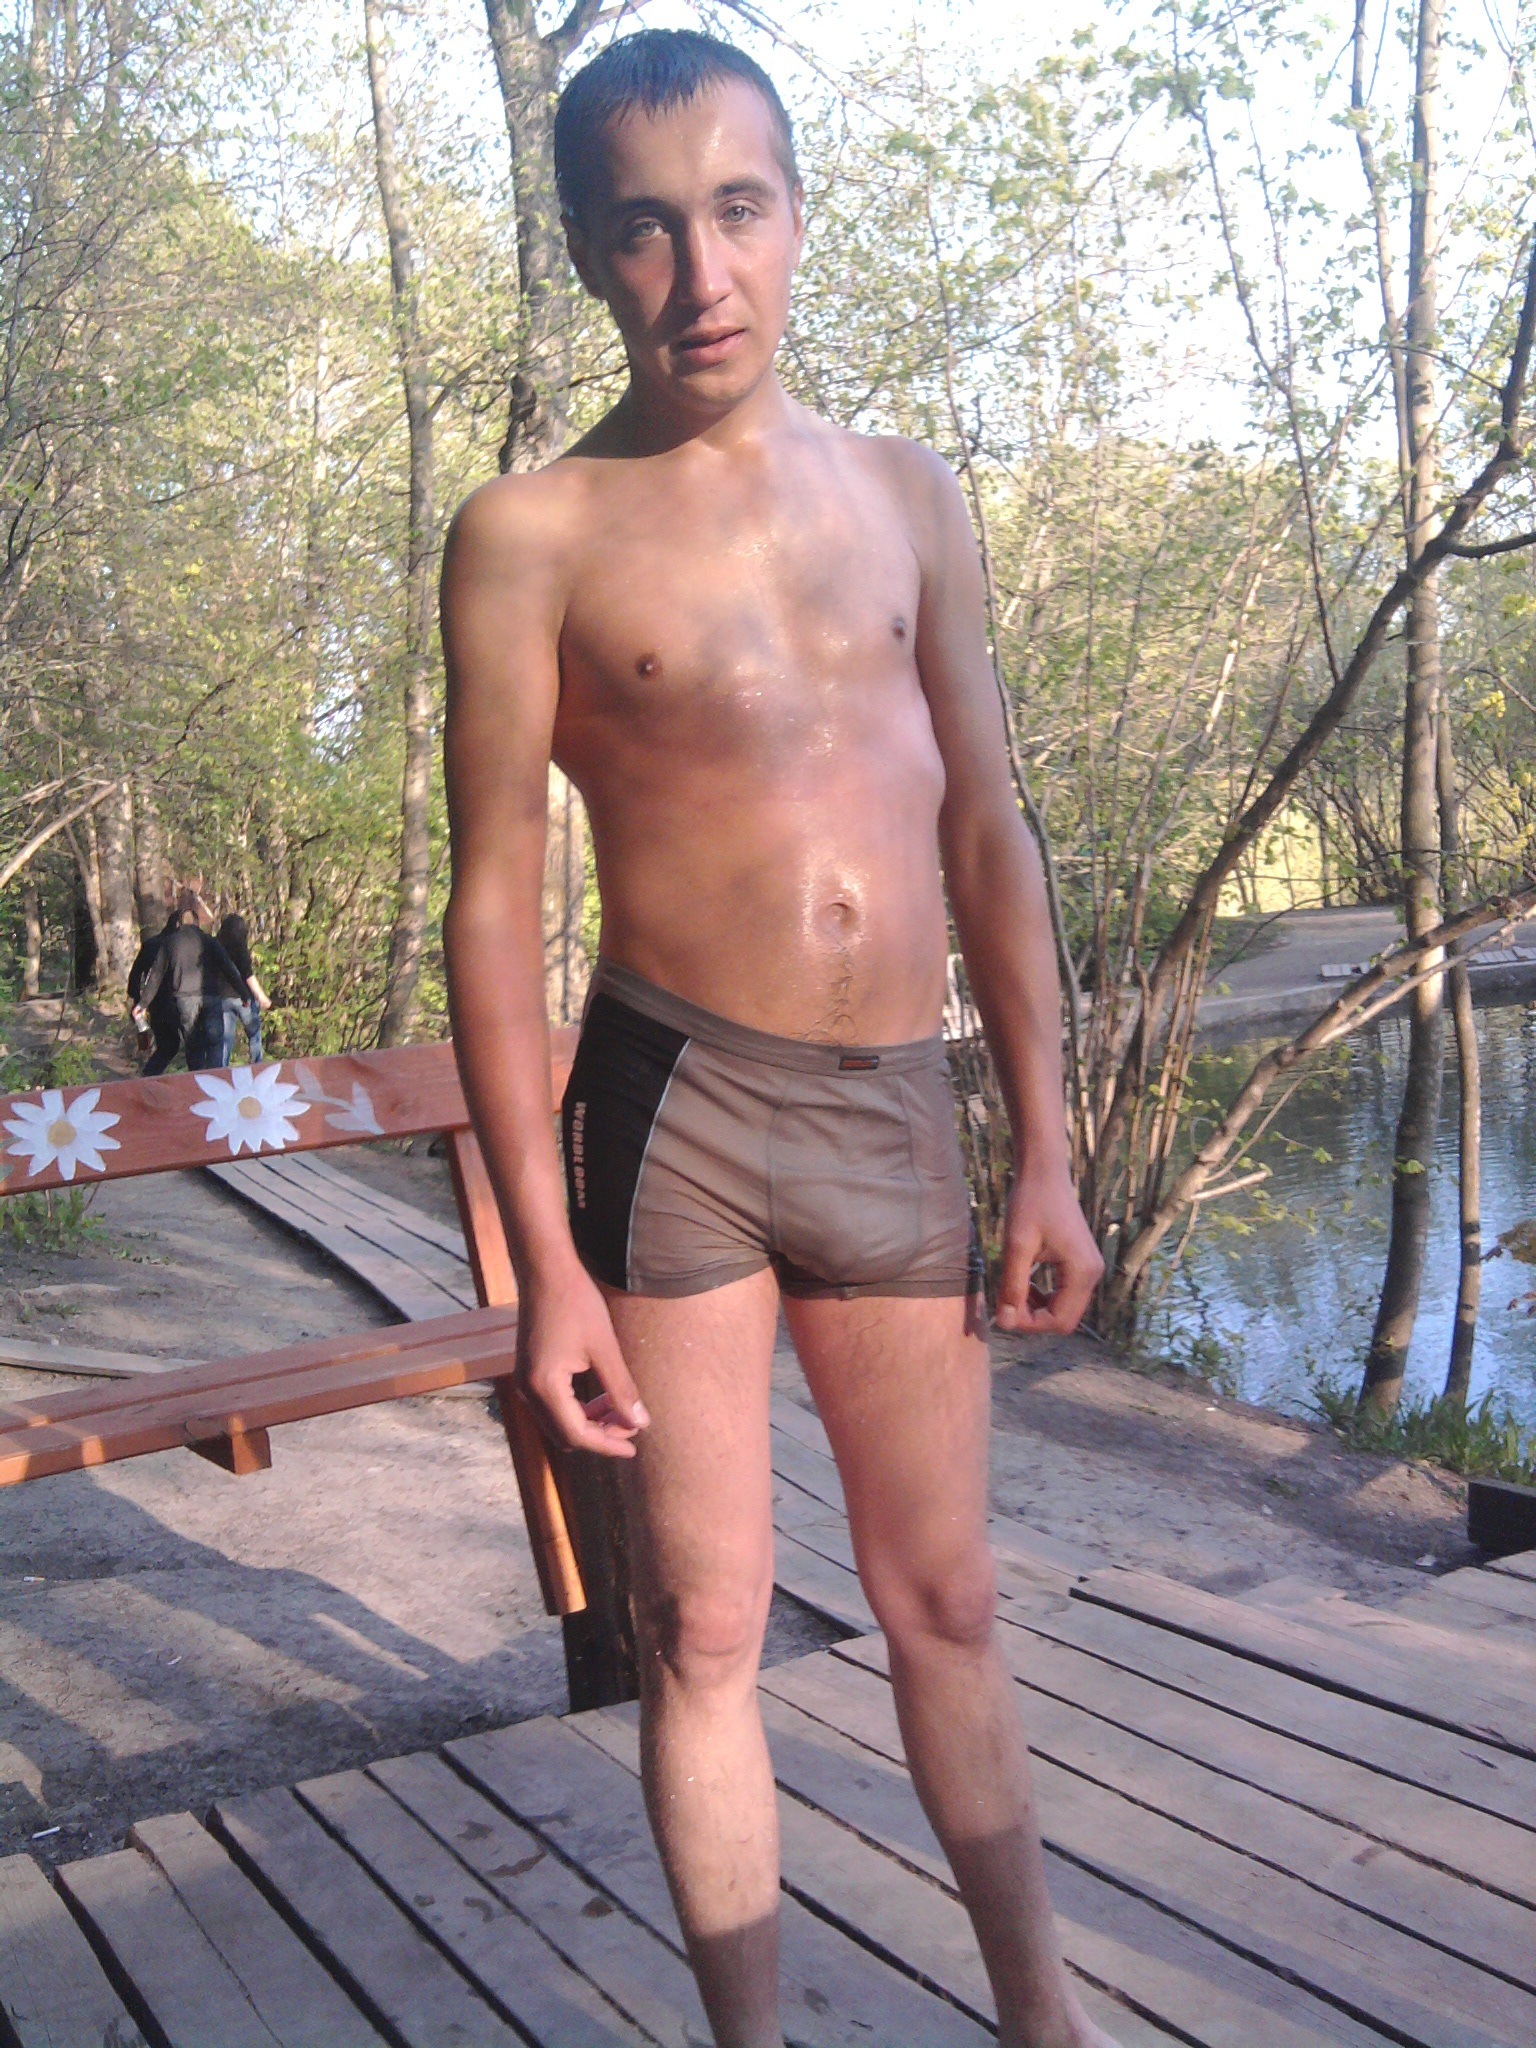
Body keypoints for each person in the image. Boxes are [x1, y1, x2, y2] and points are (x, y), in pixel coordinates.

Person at [441, 31, 1112, 2048]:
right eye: (647, 228)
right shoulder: (535, 530)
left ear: (798, 214)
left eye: (737, 209)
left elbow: (987, 829)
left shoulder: (910, 497)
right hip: (680, 1108)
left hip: (894, 1101)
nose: (702, 273)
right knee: (705, 1623)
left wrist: (1049, 1145)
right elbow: (493, 907)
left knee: (948, 1601)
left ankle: (1045, 2018)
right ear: (588, 252)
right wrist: (546, 1266)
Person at [136, 891, 253, 1072]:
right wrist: (244, 994)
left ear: (178, 924)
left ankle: (197, 1079)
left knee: (194, 1045)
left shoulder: (170, 942)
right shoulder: (208, 941)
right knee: (215, 1042)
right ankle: (215, 1077)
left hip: (184, 999)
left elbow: (156, 975)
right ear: (198, 924)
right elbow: (228, 967)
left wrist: (143, 1003)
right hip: (210, 997)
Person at [127, 909, 182, 1075]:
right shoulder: (180, 945)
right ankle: (149, 1074)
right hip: (176, 1000)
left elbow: (135, 974)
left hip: (154, 1001)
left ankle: (148, 1071)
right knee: (174, 1045)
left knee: (164, 1043)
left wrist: (137, 998)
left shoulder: (150, 944)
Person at [215, 913, 272, 1065]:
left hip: (223, 998)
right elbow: (247, 974)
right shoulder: (240, 948)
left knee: (226, 1039)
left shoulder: (216, 947)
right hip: (243, 998)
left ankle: (222, 1069)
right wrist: (261, 996)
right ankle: (257, 1065)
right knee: (254, 1033)